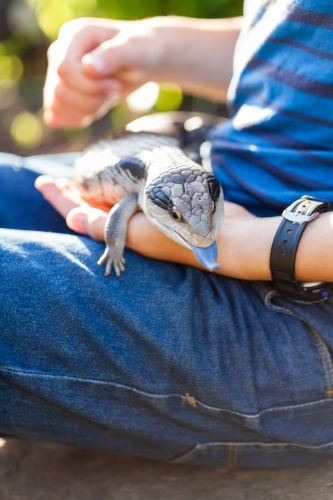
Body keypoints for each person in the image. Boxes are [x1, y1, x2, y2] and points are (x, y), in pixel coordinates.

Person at [1, 0, 333, 468]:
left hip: (302, 309)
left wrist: (247, 243)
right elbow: (292, 49)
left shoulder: (223, 231)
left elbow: (214, 234)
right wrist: (152, 49)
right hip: (208, 178)